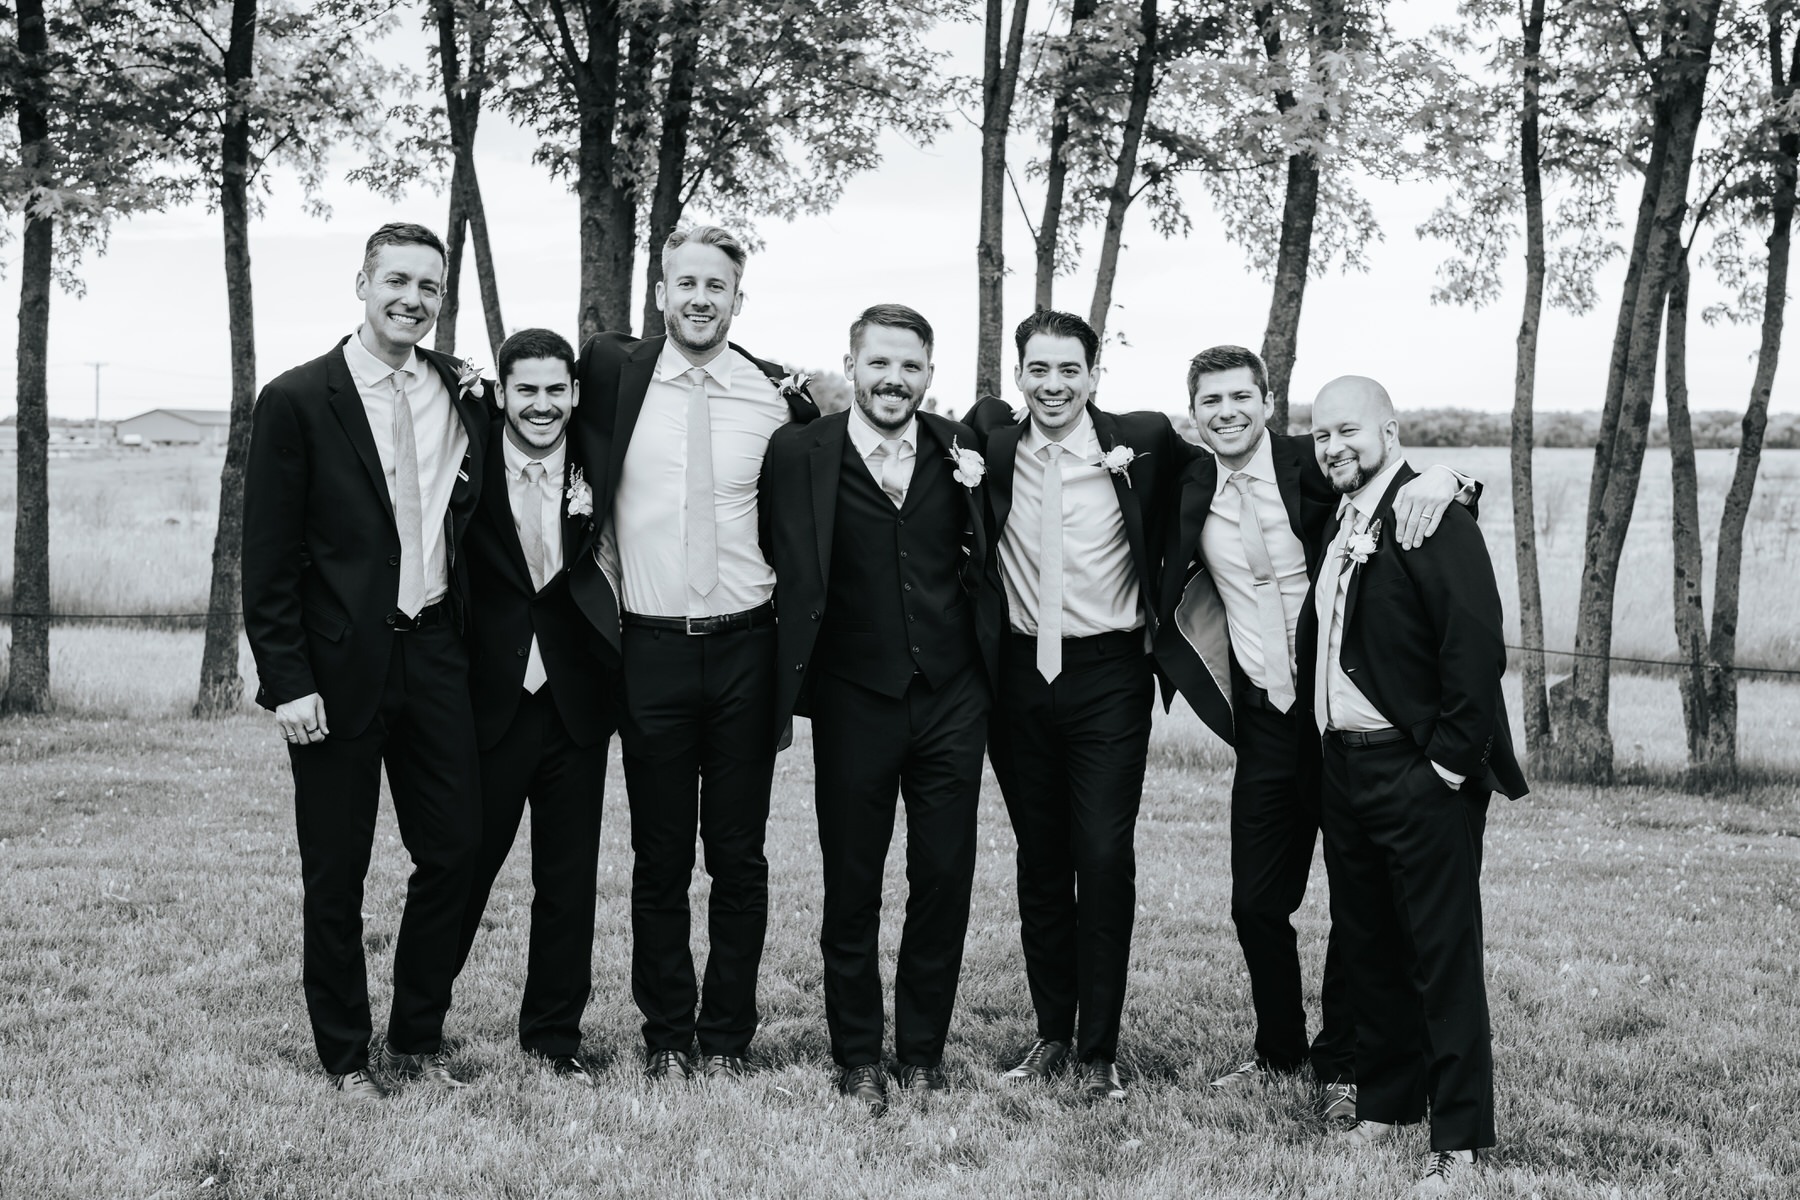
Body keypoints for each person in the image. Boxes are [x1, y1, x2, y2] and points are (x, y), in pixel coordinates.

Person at [1152, 345, 1476, 1122]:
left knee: (1359, 904)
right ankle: (1279, 1048)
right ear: (1193, 415)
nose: (1226, 412)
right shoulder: (1185, 483)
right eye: (1209, 401)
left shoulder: (1318, 462)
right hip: (1268, 722)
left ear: (1268, 403)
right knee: (1256, 904)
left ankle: (1345, 1063)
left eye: (1240, 396)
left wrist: (1451, 477)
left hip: (1346, 721)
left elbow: (1398, 481)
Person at [243, 221, 492, 1099]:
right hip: (335, 668)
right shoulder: (297, 397)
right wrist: (288, 681)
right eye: (397, 281)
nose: (411, 300)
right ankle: (346, 1056)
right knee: (336, 871)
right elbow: (268, 556)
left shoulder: (461, 391)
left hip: (436, 653)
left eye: (428, 287)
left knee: (457, 849)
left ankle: (417, 1036)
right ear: (362, 283)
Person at [572, 225, 819, 1081]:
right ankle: (668, 1037)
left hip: (749, 648)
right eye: (687, 283)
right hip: (649, 650)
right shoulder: (614, 377)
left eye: (717, 285)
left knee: (739, 858)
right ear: (662, 293)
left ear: (738, 299)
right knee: (661, 857)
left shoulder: (777, 398)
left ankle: (726, 1039)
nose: (701, 299)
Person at [760, 304, 1000, 1116]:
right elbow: (775, 549)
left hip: (952, 697)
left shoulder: (961, 448)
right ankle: (859, 1055)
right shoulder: (798, 451)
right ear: (851, 366)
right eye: (879, 363)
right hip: (853, 696)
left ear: (929, 374)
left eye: (910, 366)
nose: (894, 380)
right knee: (852, 882)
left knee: (944, 877)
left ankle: (923, 1053)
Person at [1297, 376, 1527, 1194]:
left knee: (1441, 954)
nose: (1333, 447)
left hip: (1418, 770)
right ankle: (1387, 1107)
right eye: (1321, 434)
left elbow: (1476, 648)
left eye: (1348, 430)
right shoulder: (1341, 517)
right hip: (1344, 769)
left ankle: (1458, 1138)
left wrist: (1446, 768)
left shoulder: (1432, 515)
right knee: (1370, 947)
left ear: (1389, 431)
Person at [963, 310, 1191, 1103]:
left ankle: (1100, 1049)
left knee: (1101, 854)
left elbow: (1253, 459)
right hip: (1018, 677)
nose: (1053, 385)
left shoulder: (1145, 440)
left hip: (1109, 675)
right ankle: (1053, 1033)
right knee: (1040, 859)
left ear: (1094, 375)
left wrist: (1446, 480)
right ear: (1018, 375)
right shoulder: (990, 444)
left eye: (1069, 370)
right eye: (1038, 369)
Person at [451, 328, 618, 1085]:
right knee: (464, 867)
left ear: (575, 393)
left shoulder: (600, 461)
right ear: (503, 394)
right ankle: (419, 1026)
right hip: (490, 699)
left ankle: (553, 1037)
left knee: (568, 882)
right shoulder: (468, 455)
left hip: (577, 702)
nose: (542, 404)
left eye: (556, 389)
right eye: (527, 390)